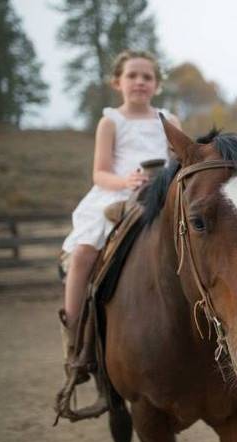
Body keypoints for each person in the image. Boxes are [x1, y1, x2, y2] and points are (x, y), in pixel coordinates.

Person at [59, 50, 179, 373]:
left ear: (157, 84)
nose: (140, 82)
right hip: (116, 192)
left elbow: (179, 160)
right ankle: (73, 337)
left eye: (147, 77)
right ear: (117, 82)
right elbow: (99, 172)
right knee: (84, 252)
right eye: (132, 76)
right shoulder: (110, 121)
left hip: (160, 192)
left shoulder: (168, 120)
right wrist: (125, 180)